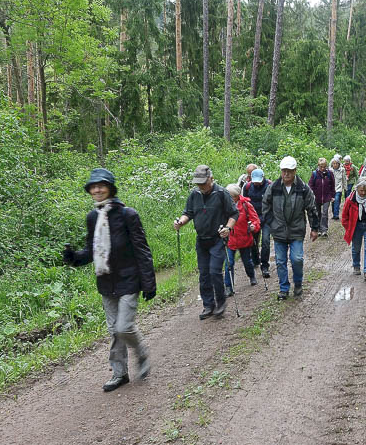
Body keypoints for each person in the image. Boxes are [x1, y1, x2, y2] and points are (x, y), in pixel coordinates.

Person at [63, 168, 157, 392]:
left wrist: (149, 282)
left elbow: (142, 250)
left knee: (124, 327)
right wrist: (74, 258)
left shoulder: (128, 215)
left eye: (101, 185)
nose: (96, 189)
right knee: (115, 330)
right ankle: (119, 373)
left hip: (129, 279)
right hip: (106, 281)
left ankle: (141, 353)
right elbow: (92, 250)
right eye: (93, 186)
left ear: (110, 188)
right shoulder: (93, 217)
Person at [174, 165, 238, 320]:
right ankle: (208, 305)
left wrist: (228, 228)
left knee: (214, 271)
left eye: (203, 182)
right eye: (198, 183)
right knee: (203, 274)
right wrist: (180, 222)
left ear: (211, 178)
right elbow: (187, 213)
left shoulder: (222, 193)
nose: (201, 186)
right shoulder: (194, 194)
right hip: (201, 240)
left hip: (218, 238)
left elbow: (234, 213)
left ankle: (221, 303)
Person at [262, 156, 319, 300]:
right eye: (284, 171)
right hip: (279, 230)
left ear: (295, 171)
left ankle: (298, 283)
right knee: (280, 261)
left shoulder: (303, 188)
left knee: (297, 259)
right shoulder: (273, 187)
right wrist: (271, 223)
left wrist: (314, 228)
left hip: (296, 230)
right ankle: (284, 288)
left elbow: (311, 208)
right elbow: (265, 206)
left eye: (289, 171)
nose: (286, 174)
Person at [223, 184, 261, 296]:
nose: (227, 198)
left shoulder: (246, 205)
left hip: (244, 239)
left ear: (236, 196)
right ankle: (229, 287)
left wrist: (254, 226)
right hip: (230, 240)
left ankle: (252, 276)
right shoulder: (223, 206)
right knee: (229, 264)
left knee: (247, 262)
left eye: (230, 196)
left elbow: (256, 220)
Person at [242, 168, 272, 278]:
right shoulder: (247, 187)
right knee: (253, 242)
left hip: (267, 218)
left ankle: (265, 266)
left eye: (258, 180)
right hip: (253, 219)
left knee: (265, 241)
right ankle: (256, 260)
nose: (257, 183)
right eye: (255, 181)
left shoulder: (269, 185)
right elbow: (244, 202)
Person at [308, 157, 335, 237]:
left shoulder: (330, 173)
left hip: (327, 197)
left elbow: (332, 185)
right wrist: (312, 195)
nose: (323, 168)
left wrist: (332, 195)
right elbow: (310, 185)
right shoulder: (314, 174)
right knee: (317, 213)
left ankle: (324, 230)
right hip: (317, 197)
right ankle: (318, 229)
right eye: (321, 166)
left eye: (324, 166)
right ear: (318, 166)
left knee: (325, 213)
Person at [330, 155, 346, 220]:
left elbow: (344, 179)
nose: (335, 165)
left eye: (336, 163)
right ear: (332, 164)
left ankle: (336, 215)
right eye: (334, 163)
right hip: (331, 189)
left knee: (336, 200)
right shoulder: (330, 170)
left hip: (338, 188)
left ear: (339, 164)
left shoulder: (342, 170)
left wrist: (345, 188)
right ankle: (334, 213)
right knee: (333, 202)